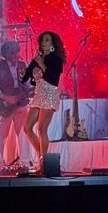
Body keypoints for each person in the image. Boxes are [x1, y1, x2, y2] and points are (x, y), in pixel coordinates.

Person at [21, 31, 66, 166]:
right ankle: (43, 158)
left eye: (47, 40)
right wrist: (22, 74)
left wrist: (41, 64)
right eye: (42, 40)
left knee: (41, 129)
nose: (43, 43)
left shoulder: (56, 59)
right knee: (27, 128)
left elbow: (53, 79)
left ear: (52, 43)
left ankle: (43, 163)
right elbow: (25, 78)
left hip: (50, 94)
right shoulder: (37, 59)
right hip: (38, 95)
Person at [0, 40, 30, 170]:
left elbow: (28, 85)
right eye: (12, 53)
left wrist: (32, 89)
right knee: (1, 135)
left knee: (23, 133)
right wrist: (6, 97)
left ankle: (25, 163)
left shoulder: (23, 65)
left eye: (17, 52)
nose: (16, 55)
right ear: (6, 54)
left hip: (21, 104)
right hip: (5, 105)